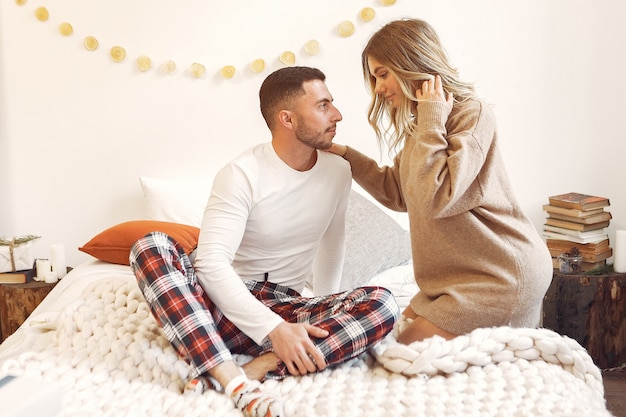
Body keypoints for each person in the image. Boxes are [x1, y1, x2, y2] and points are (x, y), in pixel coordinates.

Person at [129, 66, 398, 417]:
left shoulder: (338, 171)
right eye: (323, 106)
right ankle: (233, 382)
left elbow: (332, 242)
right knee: (150, 246)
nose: (337, 115)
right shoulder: (241, 173)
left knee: (384, 304)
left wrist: (303, 316)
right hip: (217, 308)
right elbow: (210, 264)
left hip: (285, 304)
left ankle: (262, 365)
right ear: (287, 119)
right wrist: (271, 328)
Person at [327, 18, 553, 345]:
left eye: (382, 74)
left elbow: (437, 199)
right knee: (383, 344)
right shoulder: (424, 125)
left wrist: (432, 120)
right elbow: (401, 194)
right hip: (451, 282)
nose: (378, 89)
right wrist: (347, 155)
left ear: (411, 63)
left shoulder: (471, 116)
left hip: (500, 276)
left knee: (401, 354)